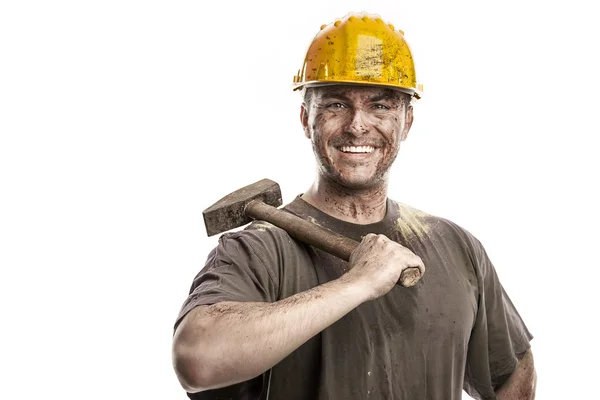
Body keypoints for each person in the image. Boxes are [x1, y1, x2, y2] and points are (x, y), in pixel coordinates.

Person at [172, 12, 536, 400]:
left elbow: (510, 371)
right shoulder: (259, 250)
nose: (357, 125)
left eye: (380, 106)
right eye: (335, 105)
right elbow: (197, 360)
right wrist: (357, 283)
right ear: (305, 118)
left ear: (407, 121)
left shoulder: (457, 246)